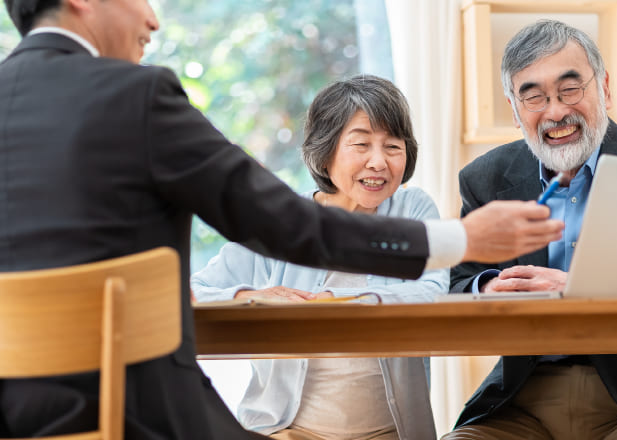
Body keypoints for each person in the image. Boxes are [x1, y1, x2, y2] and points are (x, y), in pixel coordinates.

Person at [0, 1, 565, 439]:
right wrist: (461, 238)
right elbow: (281, 221)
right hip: (138, 411)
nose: (151, 18)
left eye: (392, 145)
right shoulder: (136, 95)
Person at [443, 19, 617, 440]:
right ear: (513, 108)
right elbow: (458, 283)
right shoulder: (485, 178)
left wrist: (575, 288)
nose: (555, 112)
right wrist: (487, 289)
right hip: (523, 397)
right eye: (534, 96)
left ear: (605, 88)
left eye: (570, 89)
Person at [192, 74, 445, 440]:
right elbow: (190, 292)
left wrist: (338, 303)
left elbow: (434, 290)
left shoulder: (412, 209)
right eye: (361, 144)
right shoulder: (280, 220)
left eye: (393, 146)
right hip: (286, 431)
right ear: (325, 152)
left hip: (390, 432)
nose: (379, 162)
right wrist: (248, 297)